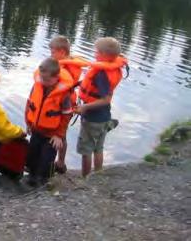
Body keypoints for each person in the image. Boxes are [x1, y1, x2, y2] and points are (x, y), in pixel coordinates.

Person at [75, 37, 128, 177]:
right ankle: (98, 175)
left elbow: (105, 99)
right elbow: (101, 92)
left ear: (105, 55)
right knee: (98, 148)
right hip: (104, 116)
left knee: (86, 150)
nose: (94, 54)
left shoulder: (101, 73)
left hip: (93, 118)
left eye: (96, 52)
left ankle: (85, 178)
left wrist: (85, 107)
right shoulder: (111, 70)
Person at [25, 58, 74, 186]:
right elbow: (29, 104)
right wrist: (28, 123)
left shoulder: (64, 94)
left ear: (56, 77)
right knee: (32, 156)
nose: (43, 82)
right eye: (41, 78)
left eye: (47, 80)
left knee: (46, 160)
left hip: (52, 135)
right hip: (36, 130)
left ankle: (43, 180)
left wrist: (59, 135)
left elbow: (66, 115)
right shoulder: (37, 85)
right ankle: (32, 177)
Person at [48, 35, 90, 174]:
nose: (51, 55)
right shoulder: (62, 65)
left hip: (65, 105)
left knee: (61, 134)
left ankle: (59, 162)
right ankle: (58, 162)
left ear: (62, 52)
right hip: (57, 103)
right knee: (56, 133)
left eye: (53, 52)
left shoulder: (68, 68)